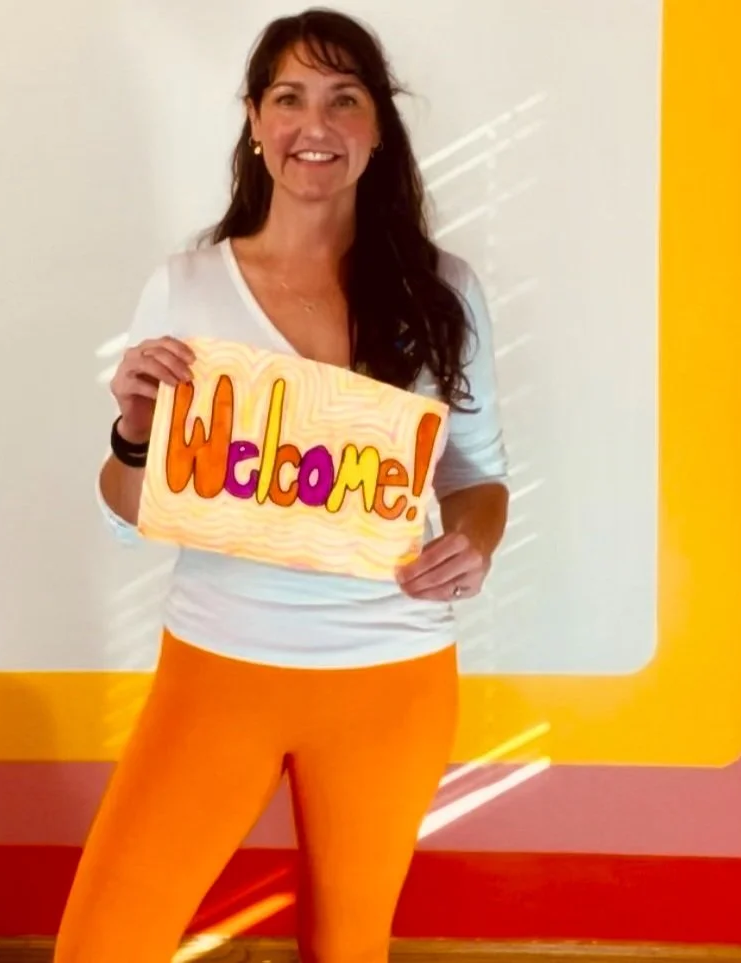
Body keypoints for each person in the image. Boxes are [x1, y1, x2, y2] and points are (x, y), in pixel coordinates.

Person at [55, 8, 509, 962]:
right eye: (291, 98)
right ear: (256, 123)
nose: (317, 124)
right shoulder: (187, 286)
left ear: (378, 129)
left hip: (392, 674)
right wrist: (135, 436)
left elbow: (478, 478)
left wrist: (474, 541)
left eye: (345, 100)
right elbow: (133, 521)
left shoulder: (442, 290)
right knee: (104, 942)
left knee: (348, 946)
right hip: (218, 667)